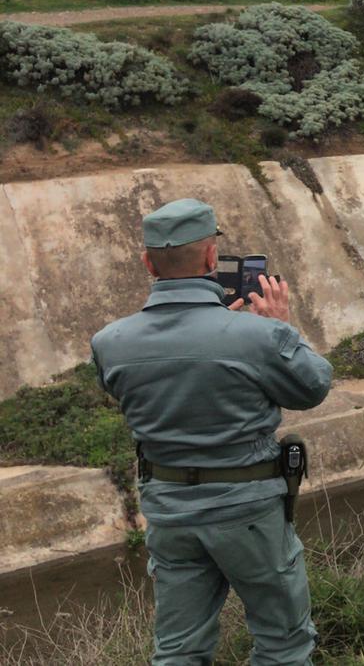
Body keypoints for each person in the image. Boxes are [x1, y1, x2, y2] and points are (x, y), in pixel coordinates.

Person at [93, 199, 332, 665]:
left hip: (168, 512)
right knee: (283, 644)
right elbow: (313, 387)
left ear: (147, 263)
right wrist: (282, 330)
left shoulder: (109, 342)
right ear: (210, 259)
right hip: (248, 513)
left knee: (179, 649)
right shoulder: (257, 336)